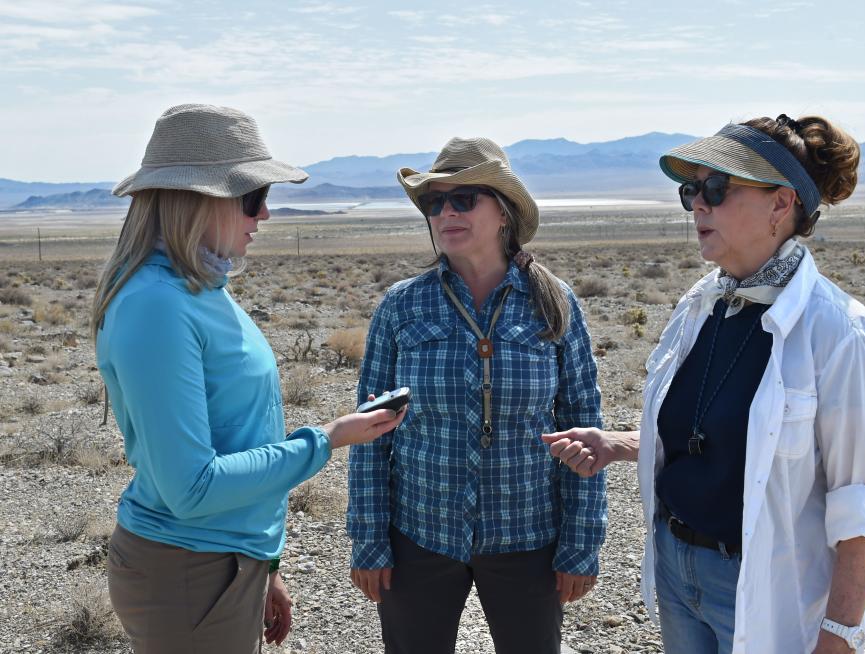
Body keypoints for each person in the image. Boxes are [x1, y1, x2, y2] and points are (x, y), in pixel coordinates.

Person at [543, 115, 865, 654]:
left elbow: (862, 506)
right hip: (677, 568)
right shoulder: (702, 305)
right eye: (691, 190)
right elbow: (733, 441)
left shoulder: (843, 334)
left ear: (781, 205)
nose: (698, 205)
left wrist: (840, 636)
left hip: (763, 586)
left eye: (716, 188)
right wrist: (618, 445)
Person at [93, 104, 405, 654]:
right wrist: (327, 439)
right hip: (189, 571)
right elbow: (193, 489)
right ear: (199, 200)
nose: (264, 216)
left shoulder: (200, 289)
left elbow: (241, 440)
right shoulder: (158, 306)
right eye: (254, 198)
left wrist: (263, 566)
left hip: (219, 563)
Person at [347, 137, 607, 654]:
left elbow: (584, 425)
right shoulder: (402, 307)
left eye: (463, 199)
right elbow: (369, 434)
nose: (446, 212)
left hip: (528, 535)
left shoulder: (553, 304)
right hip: (420, 533)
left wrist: (581, 542)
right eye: (435, 202)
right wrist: (370, 539)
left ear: (503, 213)